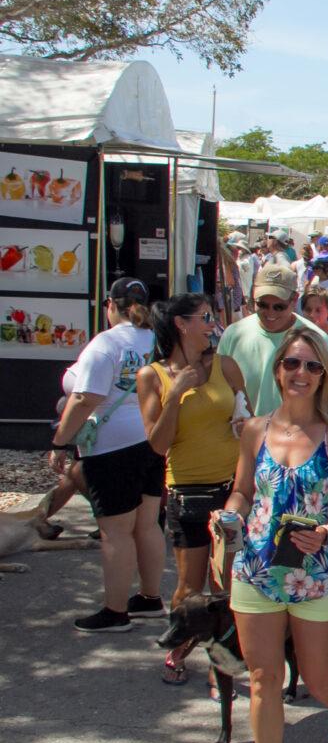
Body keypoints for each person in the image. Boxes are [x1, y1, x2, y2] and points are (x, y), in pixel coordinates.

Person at [224, 328, 328, 743]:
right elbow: (242, 491)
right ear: (277, 371)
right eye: (291, 364)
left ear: (324, 375)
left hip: (316, 573)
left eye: (311, 366)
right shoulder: (254, 431)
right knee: (264, 678)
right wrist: (229, 515)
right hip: (256, 569)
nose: (300, 374)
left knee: (320, 676)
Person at [137, 293, 247, 683]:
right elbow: (157, 443)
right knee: (190, 585)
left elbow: (243, 416)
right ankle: (178, 644)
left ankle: (223, 668)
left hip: (232, 489)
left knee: (227, 585)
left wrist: (242, 424)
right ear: (181, 324)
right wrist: (177, 393)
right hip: (188, 491)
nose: (212, 322)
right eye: (204, 316)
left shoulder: (226, 366)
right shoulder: (153, 376)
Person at [52, 278, 165, 632]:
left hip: (113, 445)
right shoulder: (157, 340)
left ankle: (115, 611)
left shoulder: (105, 344)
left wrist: (60, 442)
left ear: (111, 306)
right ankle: (149, 597)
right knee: (146, 524)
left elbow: (86, 397)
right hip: (151, 438)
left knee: (115, 531)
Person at [217, 265, 328, 416]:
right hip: (242, 436)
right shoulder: (233, 334)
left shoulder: (318, 340)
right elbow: (218, 390)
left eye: (279, 307)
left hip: (297, 436)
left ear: (294, 299)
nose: (270, 312)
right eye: (262, 304)